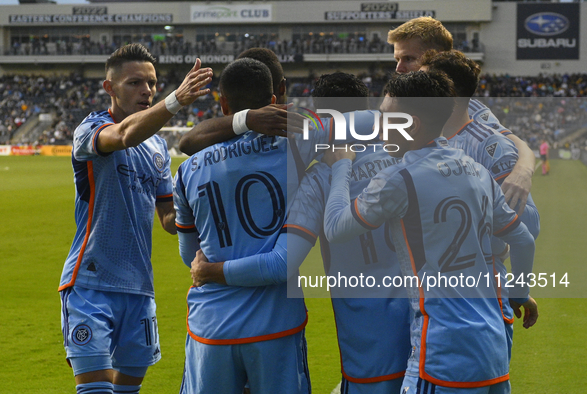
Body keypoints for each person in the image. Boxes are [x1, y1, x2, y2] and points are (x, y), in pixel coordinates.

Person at [190, 72, 412, 394]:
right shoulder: (407, 156)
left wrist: (210, 271)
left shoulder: (319, 180)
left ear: (321, 117)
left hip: (369, 347)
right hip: (428, 333)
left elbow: (280, 264)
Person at [323, 71, 538, 393]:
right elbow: (522, 239)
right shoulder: (476, 170)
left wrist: (341, 166)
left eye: (384, 116)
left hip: (444, 352)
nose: (377, 127)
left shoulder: (398, 178)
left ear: (411, 124)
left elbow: (336, 229)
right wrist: (520, 293)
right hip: (493, 345)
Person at [174, 58, 337, 394]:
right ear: (275, 101)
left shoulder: (188, 170)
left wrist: (213, 267)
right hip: (275, 324)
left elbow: (190, 256)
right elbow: (344, 125)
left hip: (211, 326)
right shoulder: (296, 142)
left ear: (223, 105)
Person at [58, 43, 212, 394]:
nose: (147, 90)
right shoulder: (91, 129)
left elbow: (168, 217)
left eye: (152, 83)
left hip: (139, 288)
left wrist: (203, 213)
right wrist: (175, 101)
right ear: (109, 87)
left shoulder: (158, 148)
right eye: (135, 83)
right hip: (90, 283)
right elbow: (124, 135)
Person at [419, 49, 541, 359]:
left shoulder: (491, 147)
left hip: (480, 292)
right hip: (433, 288)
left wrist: (518, 289)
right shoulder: (424, 138)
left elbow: (528, 224)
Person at [387, 16, 536, 216]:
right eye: (397, 59)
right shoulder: (397, 107)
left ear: (437, 58)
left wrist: (523, 172)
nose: (399, 69)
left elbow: (512, 142)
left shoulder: (467, 109)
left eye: (409, 59)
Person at [178, 48, 304, 156]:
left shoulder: (220, 139)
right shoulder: (301, 134)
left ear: (224, 104)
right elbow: (186, 143)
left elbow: (186, 143)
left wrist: (246, 119)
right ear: (282, 88)